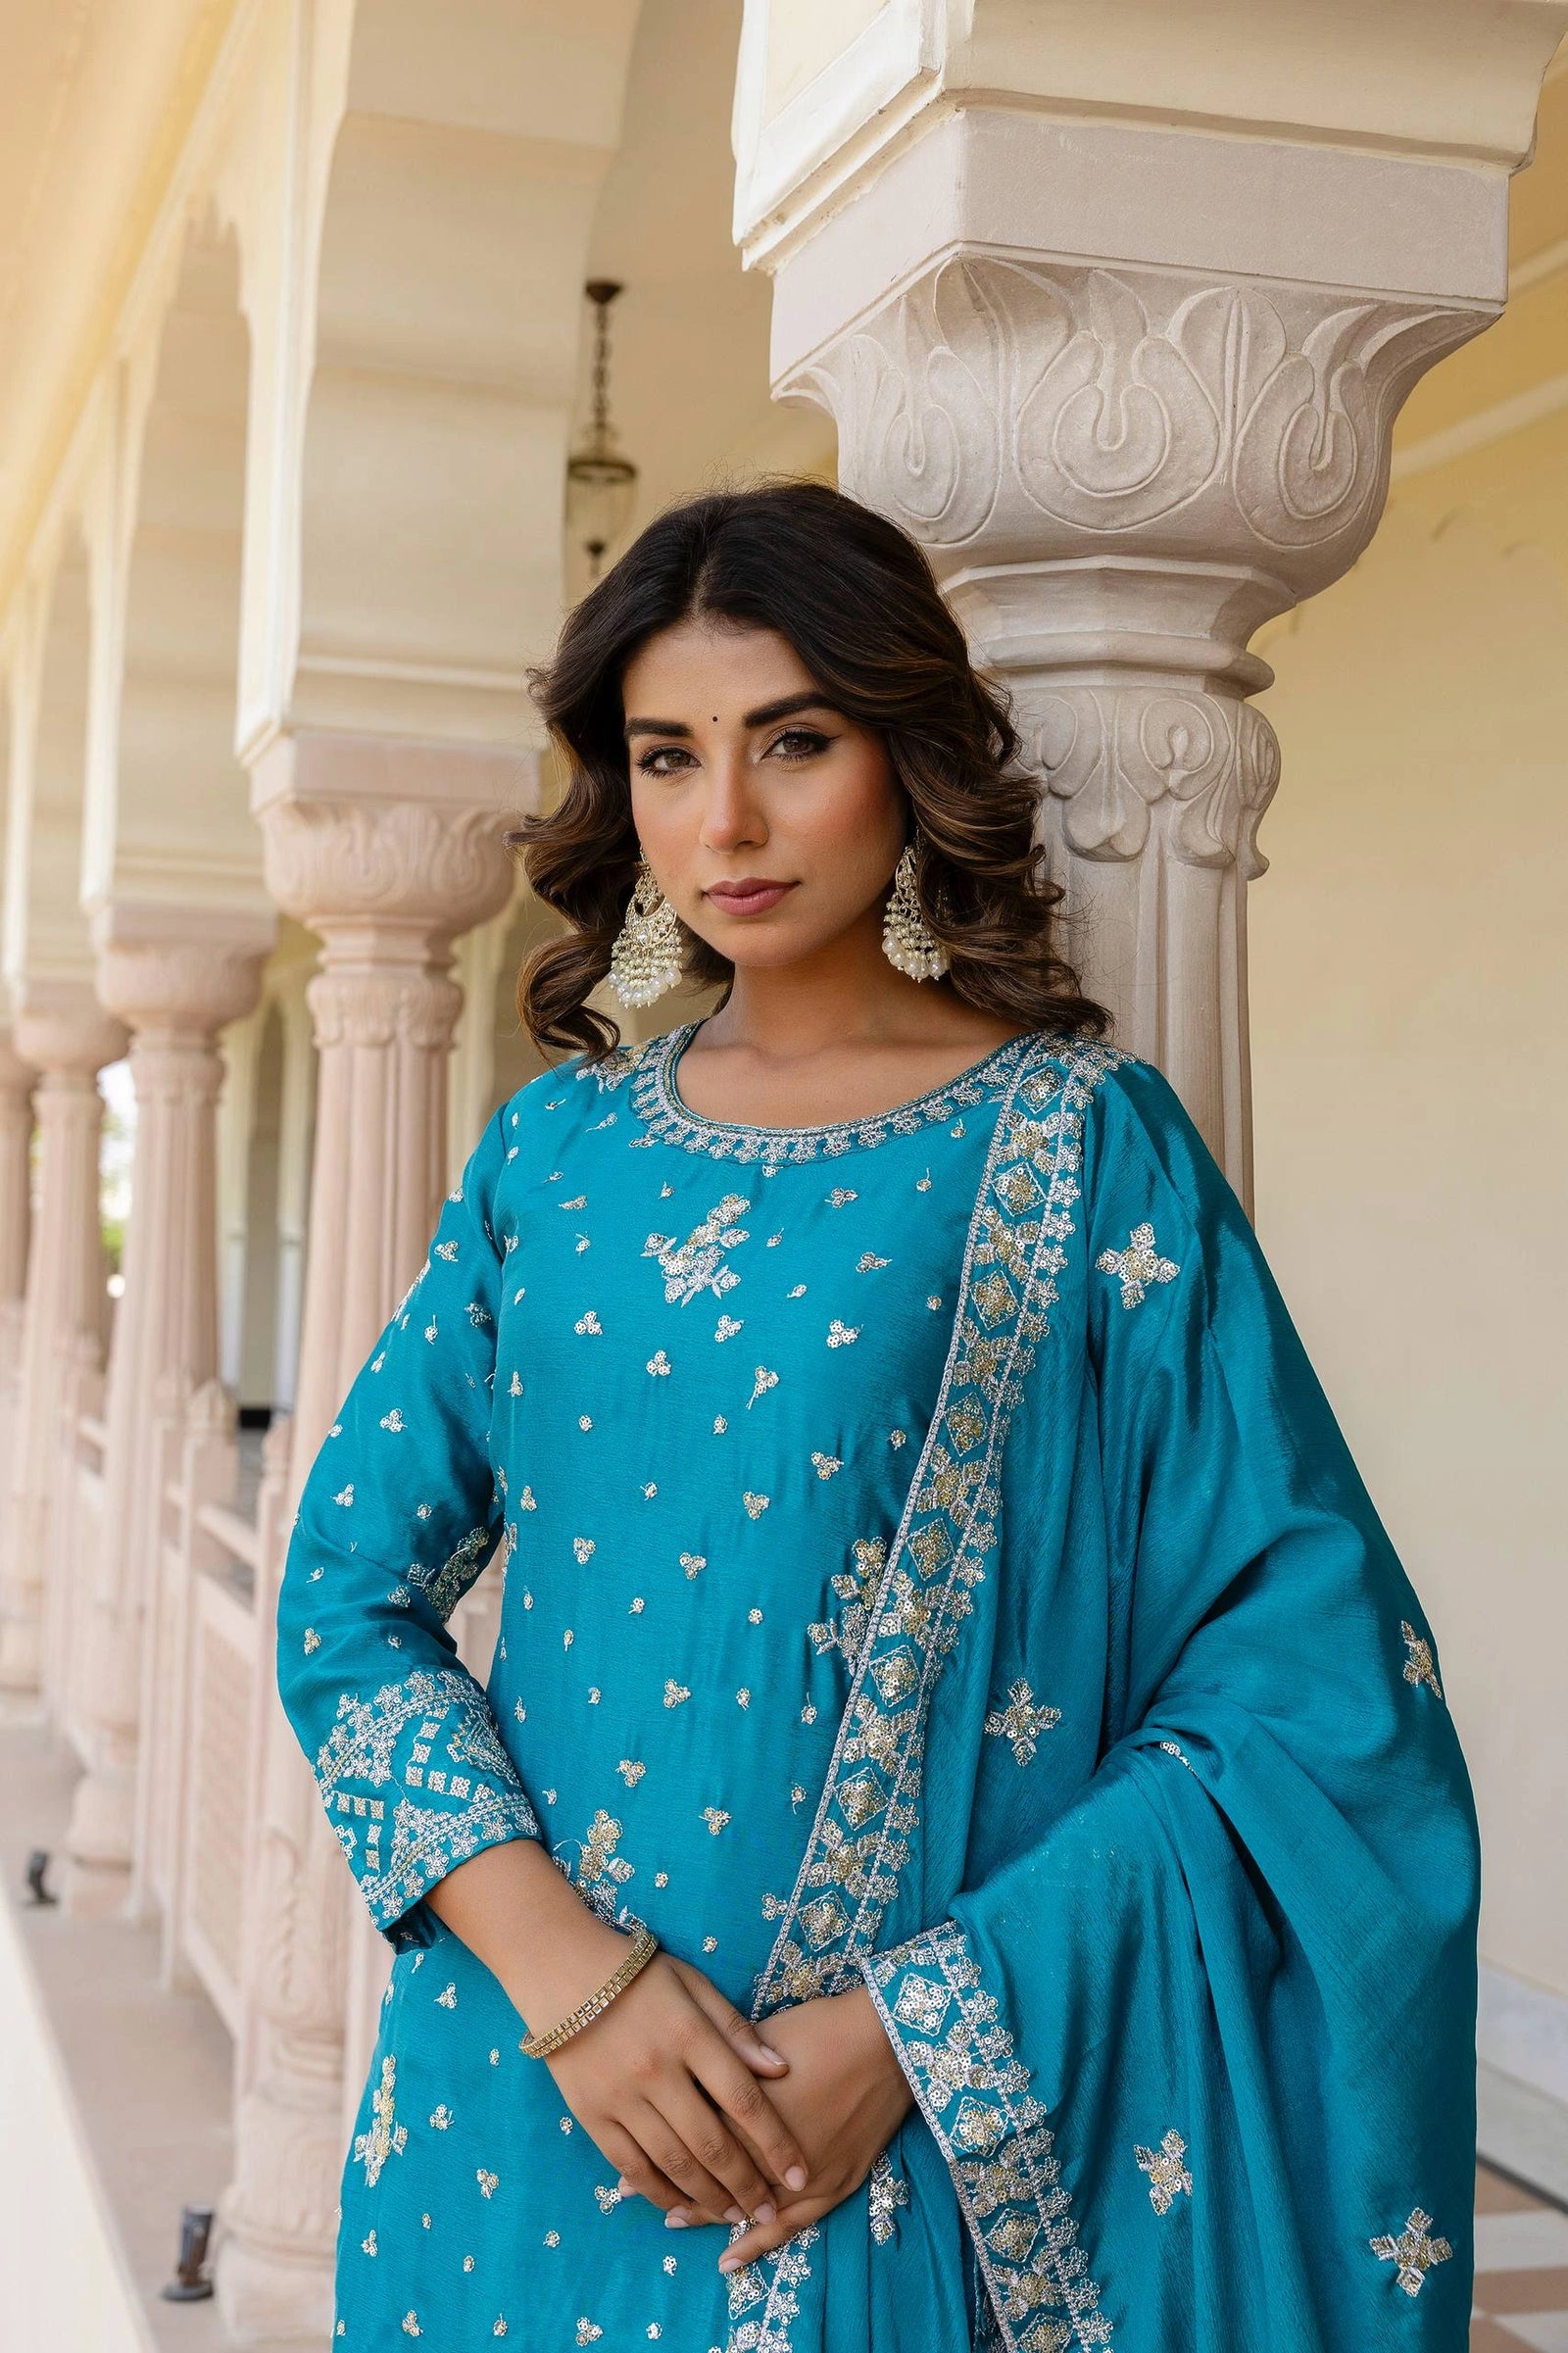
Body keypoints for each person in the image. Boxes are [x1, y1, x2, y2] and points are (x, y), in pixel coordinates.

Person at [275, 480, 1480, 2353]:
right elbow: (348, 1594)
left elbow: (1308, 1687)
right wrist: (570, 1980)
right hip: (521, 2101)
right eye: (668, 757)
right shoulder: (554, 1154)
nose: (726, 822)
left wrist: (919, 2033)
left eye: (796, 742)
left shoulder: (1083, 1147)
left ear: (905, 749)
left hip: (882, 2139)